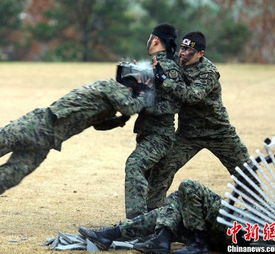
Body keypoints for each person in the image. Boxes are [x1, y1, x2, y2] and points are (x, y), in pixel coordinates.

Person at [0, 76, 150, 229]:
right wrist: (142, 98)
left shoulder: (111, 102)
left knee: (13, 174)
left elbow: (98, 123)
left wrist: (119, 121)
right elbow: (130, 105)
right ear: (129, 87)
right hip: (39, 124)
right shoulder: (112, 86)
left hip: (49, 138)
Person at [146, 31, 251, 210]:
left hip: (219, 133)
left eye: (188, 50)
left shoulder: (208, 72)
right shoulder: (177, 65)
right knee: (161, 169)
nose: (182, 53)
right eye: (182, 48)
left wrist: (164, 80)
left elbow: (192, 96)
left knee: (246, 173)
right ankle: (152, 216)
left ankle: (259, 218)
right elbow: (159, 68)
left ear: (200, 54)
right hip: (188, 134)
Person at [123, 23, 184, 219]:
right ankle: (152, 224)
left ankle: (135, 225)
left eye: (150, 38)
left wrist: (142, 101)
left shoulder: (167, 67)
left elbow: (174, 104)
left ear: (155, 40)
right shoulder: (154, 64)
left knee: (134, 165)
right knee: (153, 195)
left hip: (160, 136)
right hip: (148, 133)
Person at [79, 179, 236, 254]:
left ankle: (193, 243)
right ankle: (162, 237)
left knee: (188, 187)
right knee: (175, 204)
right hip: (221, 237)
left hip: (236, 230)